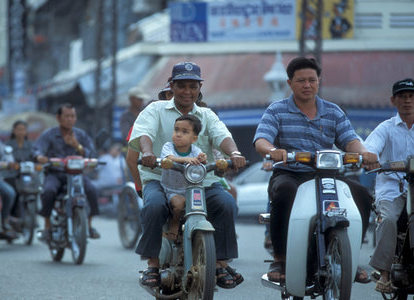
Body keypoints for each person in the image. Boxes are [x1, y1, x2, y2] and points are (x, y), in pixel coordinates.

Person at [253, 57, 378, 283]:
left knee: (361, 195)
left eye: (312, 80)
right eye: (301, 81)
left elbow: (350, 140)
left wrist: (364, 153)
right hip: (290, 173)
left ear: (319, 81)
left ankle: (350, 256)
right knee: (283, 194)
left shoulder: (333, 111)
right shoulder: (277, 110)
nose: (307, 85)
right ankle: (280, 259)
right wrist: (273, 150)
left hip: (327, 175)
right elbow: (261, 139)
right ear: (290, 83)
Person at [128, 61, 246, 289]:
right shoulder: (155, 109)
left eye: (193, 86)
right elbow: (144, 133)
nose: (187, 91)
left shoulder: (206, 114)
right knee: (153, 206)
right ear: (171, 86)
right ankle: (152, 264)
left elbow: (222, 135)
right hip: (160, 179)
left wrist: (235, 153)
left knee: (227, 203)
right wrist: (148, 153)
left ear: (200, 88)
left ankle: (220, 262)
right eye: (181, 85)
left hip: (201, 181)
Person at [364, 78, 414, 293]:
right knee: (389, 220)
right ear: (393, 100)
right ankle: (384, 274)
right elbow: (369, 148)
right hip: (391, 188)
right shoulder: (385, 128)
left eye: (412, 96)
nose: (408, 101)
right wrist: (370, 157)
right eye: (402, 97)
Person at [34, 103, 101, 240]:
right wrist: (40, 157)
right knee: (48, 191)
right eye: (67, 116)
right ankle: (47, 226)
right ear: (58, 118)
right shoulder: (49, 134)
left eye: (73, 116)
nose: (70, 119)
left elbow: (92, 153)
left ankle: (88, 225)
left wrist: (77, 146)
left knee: (93, 190)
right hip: (55, 174)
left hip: (77, 175)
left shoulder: (81, 135)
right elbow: (37, 149)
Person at [160, 115, 207, 240]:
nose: (178, 134)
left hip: (191, 190)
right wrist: (185, 159)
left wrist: (203, 159)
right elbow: (169, 158)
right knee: (179, 204)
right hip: (171, 190)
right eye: (176, 130)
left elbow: (201, 162)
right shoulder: (168, 147)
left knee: (203, 208)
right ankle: (174, 223)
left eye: (184, 132)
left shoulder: (196, 151)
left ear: (194, 138)